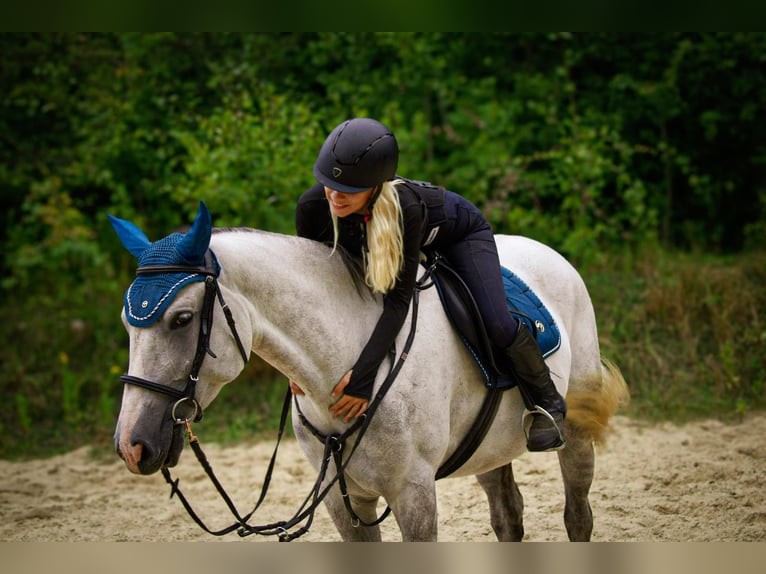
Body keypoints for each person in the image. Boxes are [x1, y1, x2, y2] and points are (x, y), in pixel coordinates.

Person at [294, 117, 566, 452]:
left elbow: (398, 302)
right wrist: (298, 364)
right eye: (327, 183)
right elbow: (314, 293)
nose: (334, 195)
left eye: (349, 189)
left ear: (377, 185)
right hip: (405, 240)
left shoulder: (403, 208)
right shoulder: (312, 208)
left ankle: (548, 404)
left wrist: (363, 379)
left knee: (496, 321)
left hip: (459, 234)